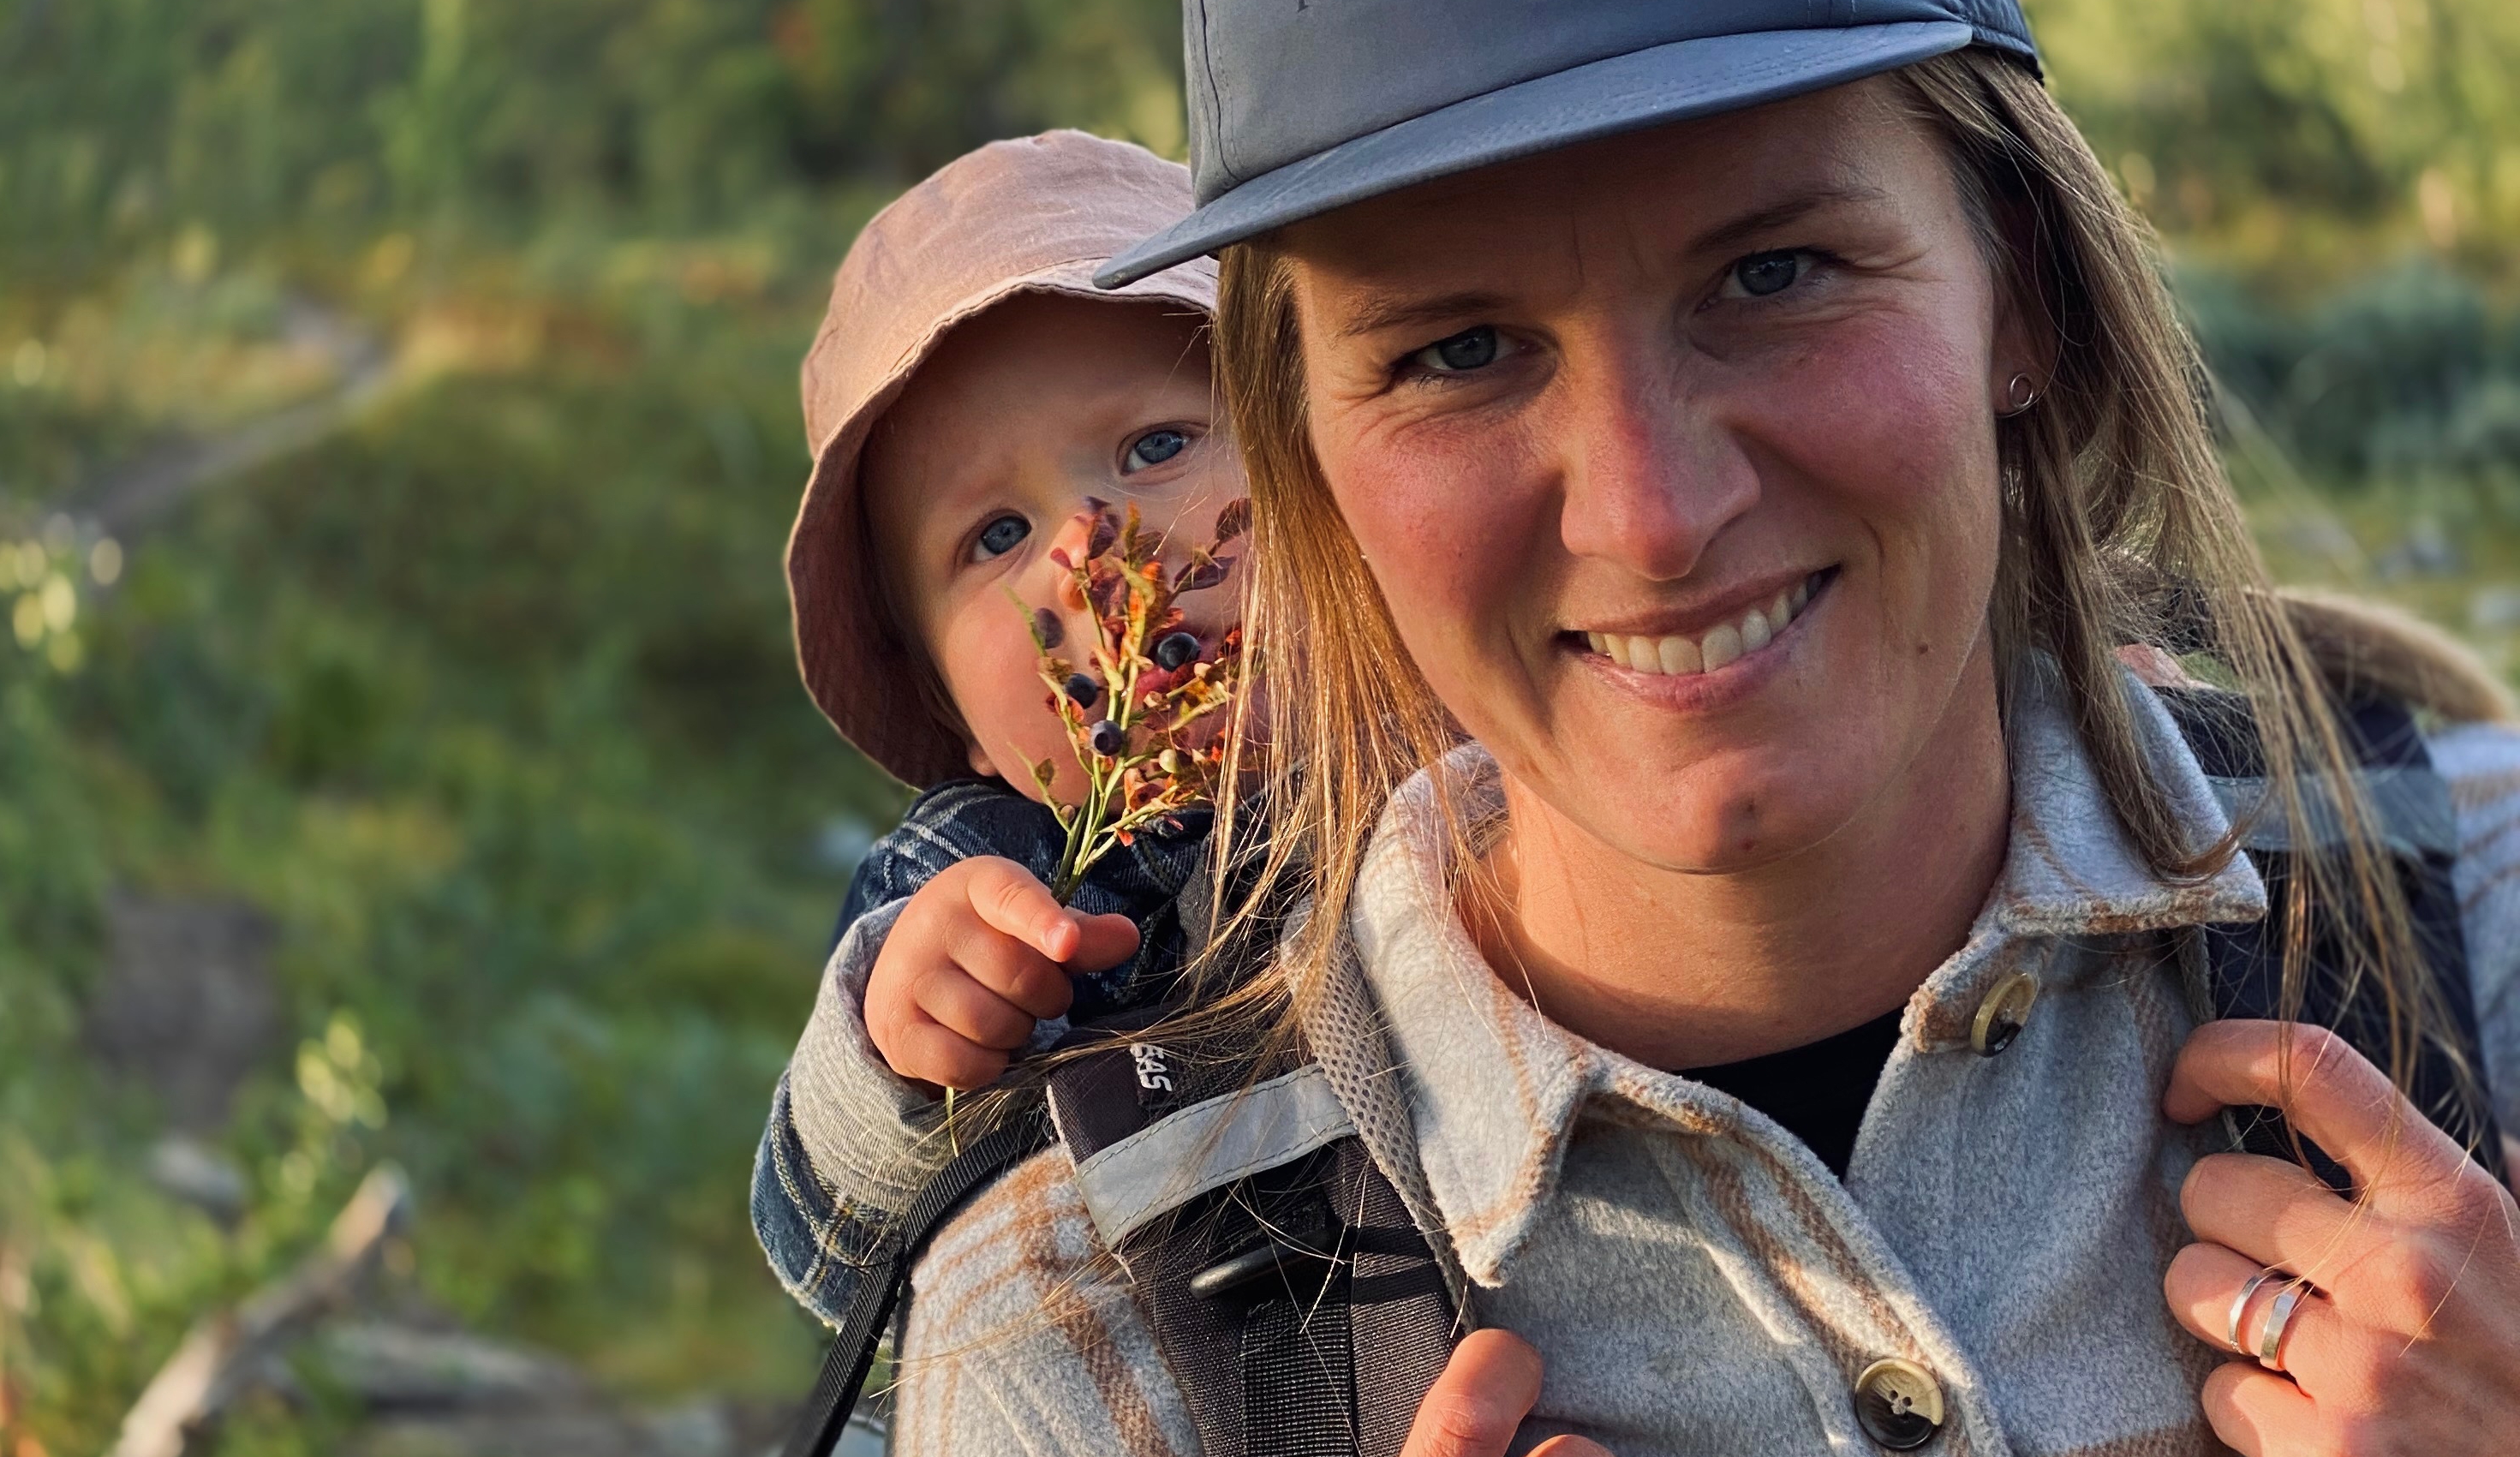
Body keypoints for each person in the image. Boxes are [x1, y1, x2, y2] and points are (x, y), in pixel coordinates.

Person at [862, 3, 2520, 1455]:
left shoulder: (2476, 913)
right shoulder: (1070, 1335)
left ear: (2026, 299)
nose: (1653, 513)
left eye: (1774, 272)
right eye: (1459, 349)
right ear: (1308, 469)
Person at [751, 130, 1246, 1327]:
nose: (1094, 546)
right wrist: (904, 1052)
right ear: (954, 716)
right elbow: (825, 1249)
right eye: (996, 536)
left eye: (1159, 446)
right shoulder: (983, 869)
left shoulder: (1465, 739)